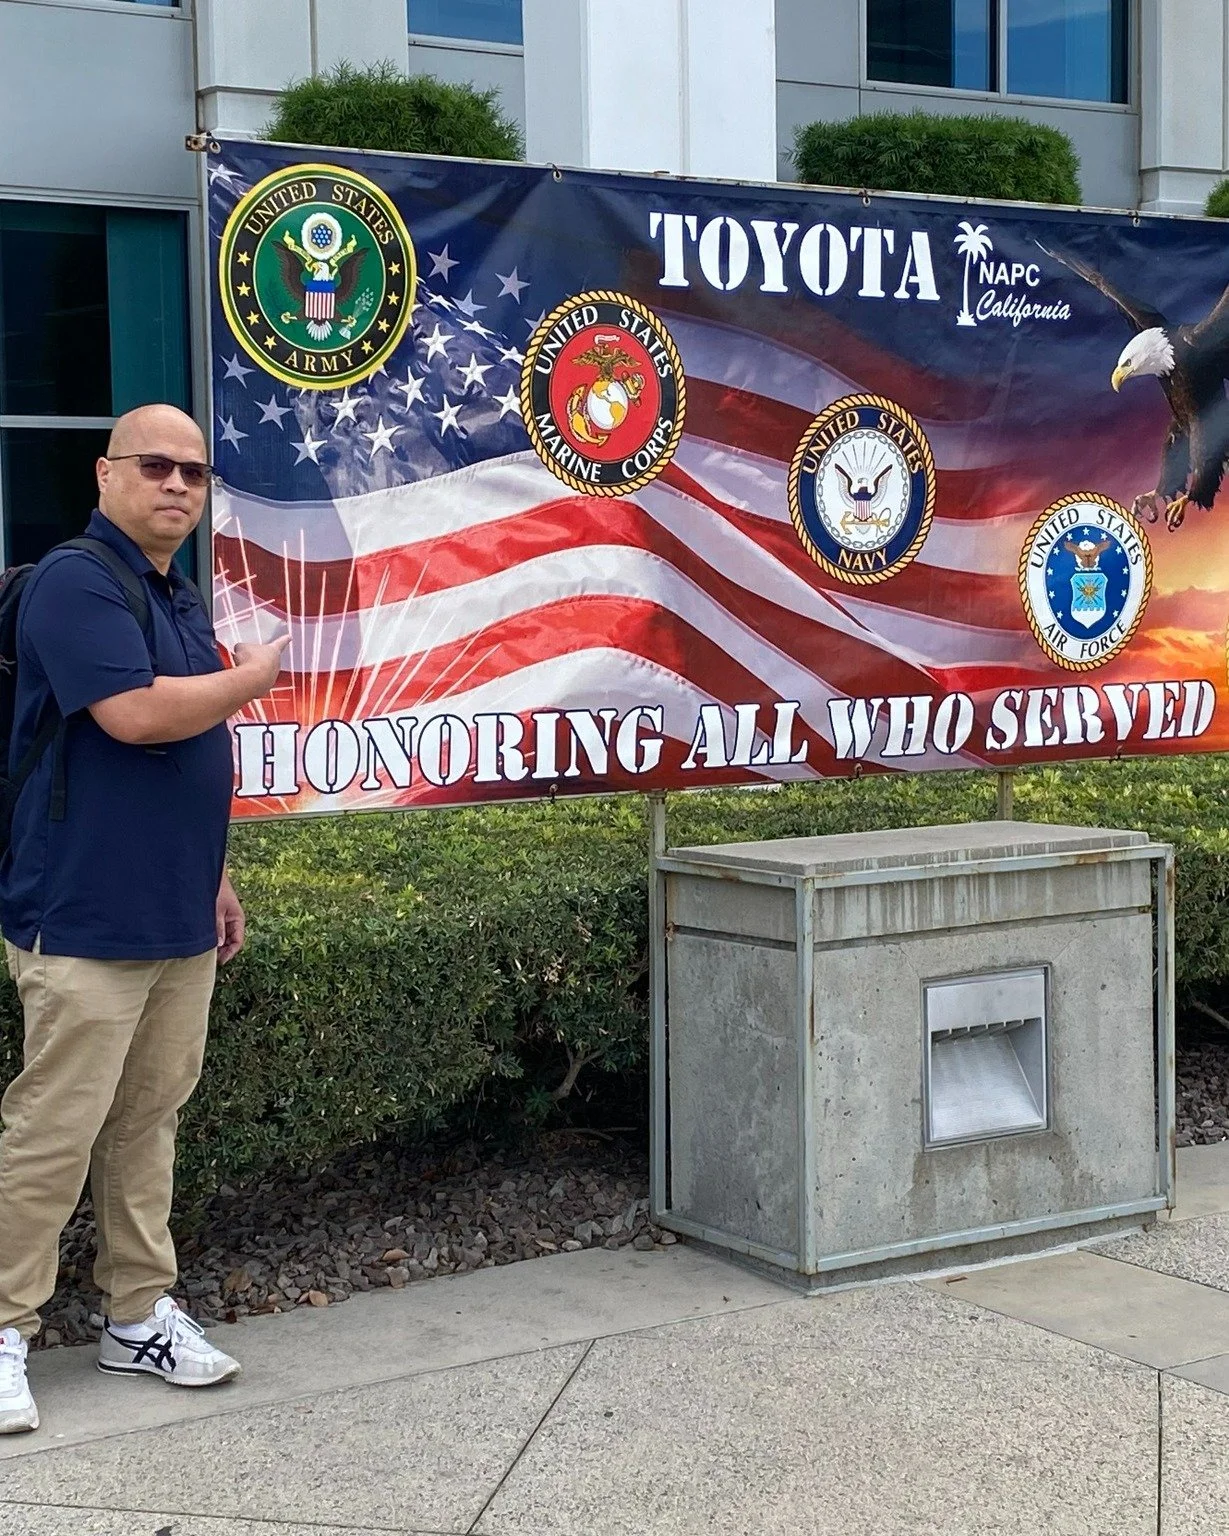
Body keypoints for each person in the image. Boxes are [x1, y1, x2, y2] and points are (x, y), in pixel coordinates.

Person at [0, 405, 289, 1434]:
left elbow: (184, 764)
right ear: (107, 473)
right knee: (53, 1132)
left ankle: (135, 1316)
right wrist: (250, 677)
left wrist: (215, 877)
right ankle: (3, 1330)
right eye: (156, 465)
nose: (177, 484)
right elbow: (136, 716)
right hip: (79, 918)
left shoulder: (175, 593)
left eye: (195, 472)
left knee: (145, 1127)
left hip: (175, 917)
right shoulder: (77, 581)